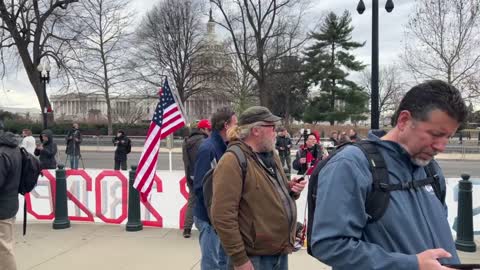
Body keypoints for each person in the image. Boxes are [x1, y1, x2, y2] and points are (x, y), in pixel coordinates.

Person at [310, 80, 468, 270]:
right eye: (435, 134)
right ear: (403, 120)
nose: (441, 147)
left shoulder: (430, 169)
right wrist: (411, 265)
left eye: (448, 137)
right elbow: (329, 245)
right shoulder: (352, 165)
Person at [211, 106, 307, 270]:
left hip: (279, 252)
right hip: (254, 258)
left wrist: (290, 189)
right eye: (272, 127)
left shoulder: (271, 155)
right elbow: (222, 215)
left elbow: (268, 193)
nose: (275, 132)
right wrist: (240, 259)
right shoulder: (232, 160)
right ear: (256, 130)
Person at [193, 108, 237, 270]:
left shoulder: (225, 146)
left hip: (219, 217)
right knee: (211, 263)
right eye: (235, 123)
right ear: (226, 125)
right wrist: (215, 214)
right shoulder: (208, 148)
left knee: (223, 262)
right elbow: (200, 186)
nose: (237, 127)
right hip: (209, 217)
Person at [181, 119, 211, 238]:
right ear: (202, 129)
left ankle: (187, 228)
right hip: (203, 176)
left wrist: (189, 176)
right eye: (208, 129)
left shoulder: (186, 141)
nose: (209, 131)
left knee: (192, 201)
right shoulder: (204, 142)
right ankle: (206, 226)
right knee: (208, 201)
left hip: (191, 176)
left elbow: (186, 161)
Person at [0, 120, 22, 270]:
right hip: (10, 203)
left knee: (4, 248)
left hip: (2, 206)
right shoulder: (14, 149)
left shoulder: (2, 153)